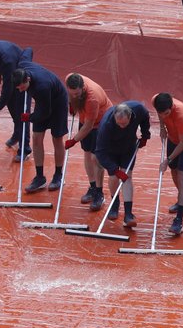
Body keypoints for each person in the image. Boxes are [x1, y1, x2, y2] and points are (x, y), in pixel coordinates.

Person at [11, 62, 69, 193]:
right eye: (18, 88)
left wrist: (29, 117)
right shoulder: (22, 67)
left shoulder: (41, 87)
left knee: (57, 138)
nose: (20, 90)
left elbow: (44, 113)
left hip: (57, 103)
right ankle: (39, 177)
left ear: (28, 80)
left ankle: (58, 175)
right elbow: (27, 51)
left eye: (22, 87)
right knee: (36, 138)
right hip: (43, 103)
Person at [93, 101, 151, 227]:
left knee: (127, 175)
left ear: (130, 117)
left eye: (124, 124)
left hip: (128, 146)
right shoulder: (106, 126)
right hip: (110, 150)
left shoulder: (138, 109)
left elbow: (145, 116)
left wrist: (145, 134)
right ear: (114, 117)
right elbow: (100, 152)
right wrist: (115, 170)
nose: (121, 126)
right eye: (119, 124)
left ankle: (128, 214)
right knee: (114, 177)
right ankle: (115, 204)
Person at [152, 93, 183, 236]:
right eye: (162, 114)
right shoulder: (156, 100)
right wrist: (162, 127)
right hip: (173, 138)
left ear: (171, 107)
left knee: (182, 175)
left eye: (167, 113)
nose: (164, 116)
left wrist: (168, 160)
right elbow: (160, 113)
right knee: (174, 171)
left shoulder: (181, 115)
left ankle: (178, 220)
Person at [64, 73, 113, 210]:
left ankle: (99, 193)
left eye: (78, 94)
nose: (75, 96)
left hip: (100, 122)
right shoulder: (70, 78)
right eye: (72, 93)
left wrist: (73, 140)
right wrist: (72, 103)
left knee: (95, 157)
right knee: (87, 153)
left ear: (83, 88)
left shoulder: (92, 99)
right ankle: (92, 186)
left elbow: (89, 126)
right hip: (85, 119)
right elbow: (71, 96)